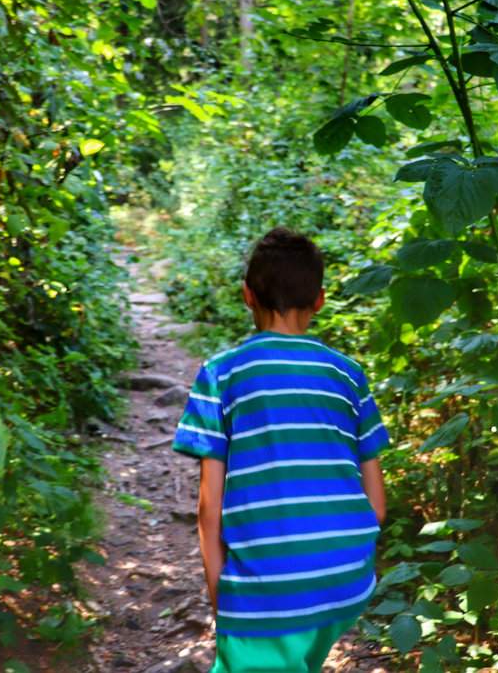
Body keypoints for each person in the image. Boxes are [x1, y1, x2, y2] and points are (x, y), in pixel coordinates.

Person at [172, 227, 390, 673]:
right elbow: (378, 506)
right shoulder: (348, 375)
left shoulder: (221, 374)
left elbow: (209, 509)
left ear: (247, 295)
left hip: (270, 586)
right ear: (319, 300)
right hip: (347, 577)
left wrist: (222, 599)